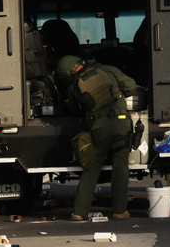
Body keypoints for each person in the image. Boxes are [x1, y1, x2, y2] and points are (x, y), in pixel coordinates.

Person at [58, 55, 136, 221]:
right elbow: (131, 87)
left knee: (92, 166)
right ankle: (120, 210)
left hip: (99, 128)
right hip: (121, 123)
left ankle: (79, 212)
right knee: (121, 166)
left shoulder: (74, 85)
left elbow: (75, 110)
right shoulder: (107, 69)